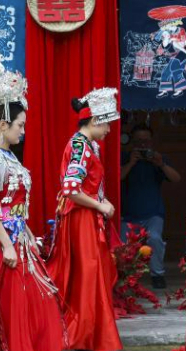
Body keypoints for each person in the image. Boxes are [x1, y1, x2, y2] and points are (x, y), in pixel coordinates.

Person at [0, 63, 64, 351]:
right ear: (4, 125)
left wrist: (24, 235)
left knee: (34, 301)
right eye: (20, 125)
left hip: (19, 238)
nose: (23, 131)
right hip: (6, 244)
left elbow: (15, 205)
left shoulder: (8, 157)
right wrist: (8, 245)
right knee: (14, 307)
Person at [47, 88, 122, 351]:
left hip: (87, 218)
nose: (109, 131)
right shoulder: (80, 146)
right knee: (88, 277)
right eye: (107, 124)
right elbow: (71, 189)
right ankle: (81, 336)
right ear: (95, 120)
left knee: (91, 276)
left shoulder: (89, 145)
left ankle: (92, 335)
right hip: (81, 219)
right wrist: (100, 206)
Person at [121, 123, 181, 289]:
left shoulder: (157, 159)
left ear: (151, 142)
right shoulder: (124, 158)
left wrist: (161, 164)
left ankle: (157, 275)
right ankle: (125, 278)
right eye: (139, 141)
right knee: (123, 246)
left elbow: (176, 178)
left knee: (154, 238)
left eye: (146, 141)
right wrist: (131, 163)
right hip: (127, 214)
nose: (142, 145)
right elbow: (116, 178)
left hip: (153, 213)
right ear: (132, 142)